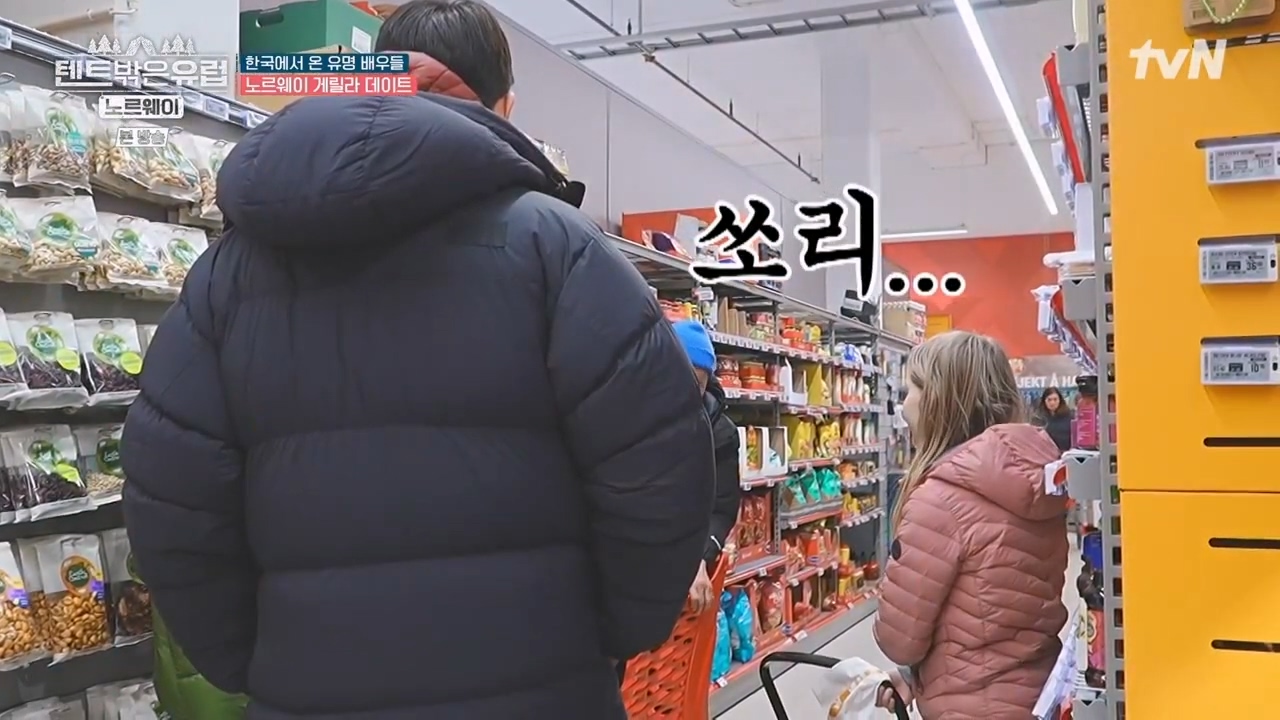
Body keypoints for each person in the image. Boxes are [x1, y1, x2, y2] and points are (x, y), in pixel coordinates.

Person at [120, 1, 717, 717]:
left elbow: (171, 495)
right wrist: (608, 633)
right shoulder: (560, 252)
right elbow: (658, 469)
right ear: (505, 104)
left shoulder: (227, 274)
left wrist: (253, 657)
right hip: (541, 684)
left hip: (310, 690)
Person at [872, 331, 1068, 719]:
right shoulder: (1037, 481)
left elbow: (899, 639)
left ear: (938, 401)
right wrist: (916, 676)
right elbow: (993, 617)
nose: (903, 405)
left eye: (911, 390)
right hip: (1038, 695)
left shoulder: (939, 500)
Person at [670, 319, 740, 613]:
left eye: (696, 384)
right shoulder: (633, 417)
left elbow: (722, 509)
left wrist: (698, 559)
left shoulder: (721, 433)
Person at [1035, 386, 1073, 452]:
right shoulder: (1038, 417)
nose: (1052, 403)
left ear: (1060, 400)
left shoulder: (1069, 416)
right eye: (1049, 400)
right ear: (1044, 401)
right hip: (1045, 452)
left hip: (1065, 452)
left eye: (1055, 399)